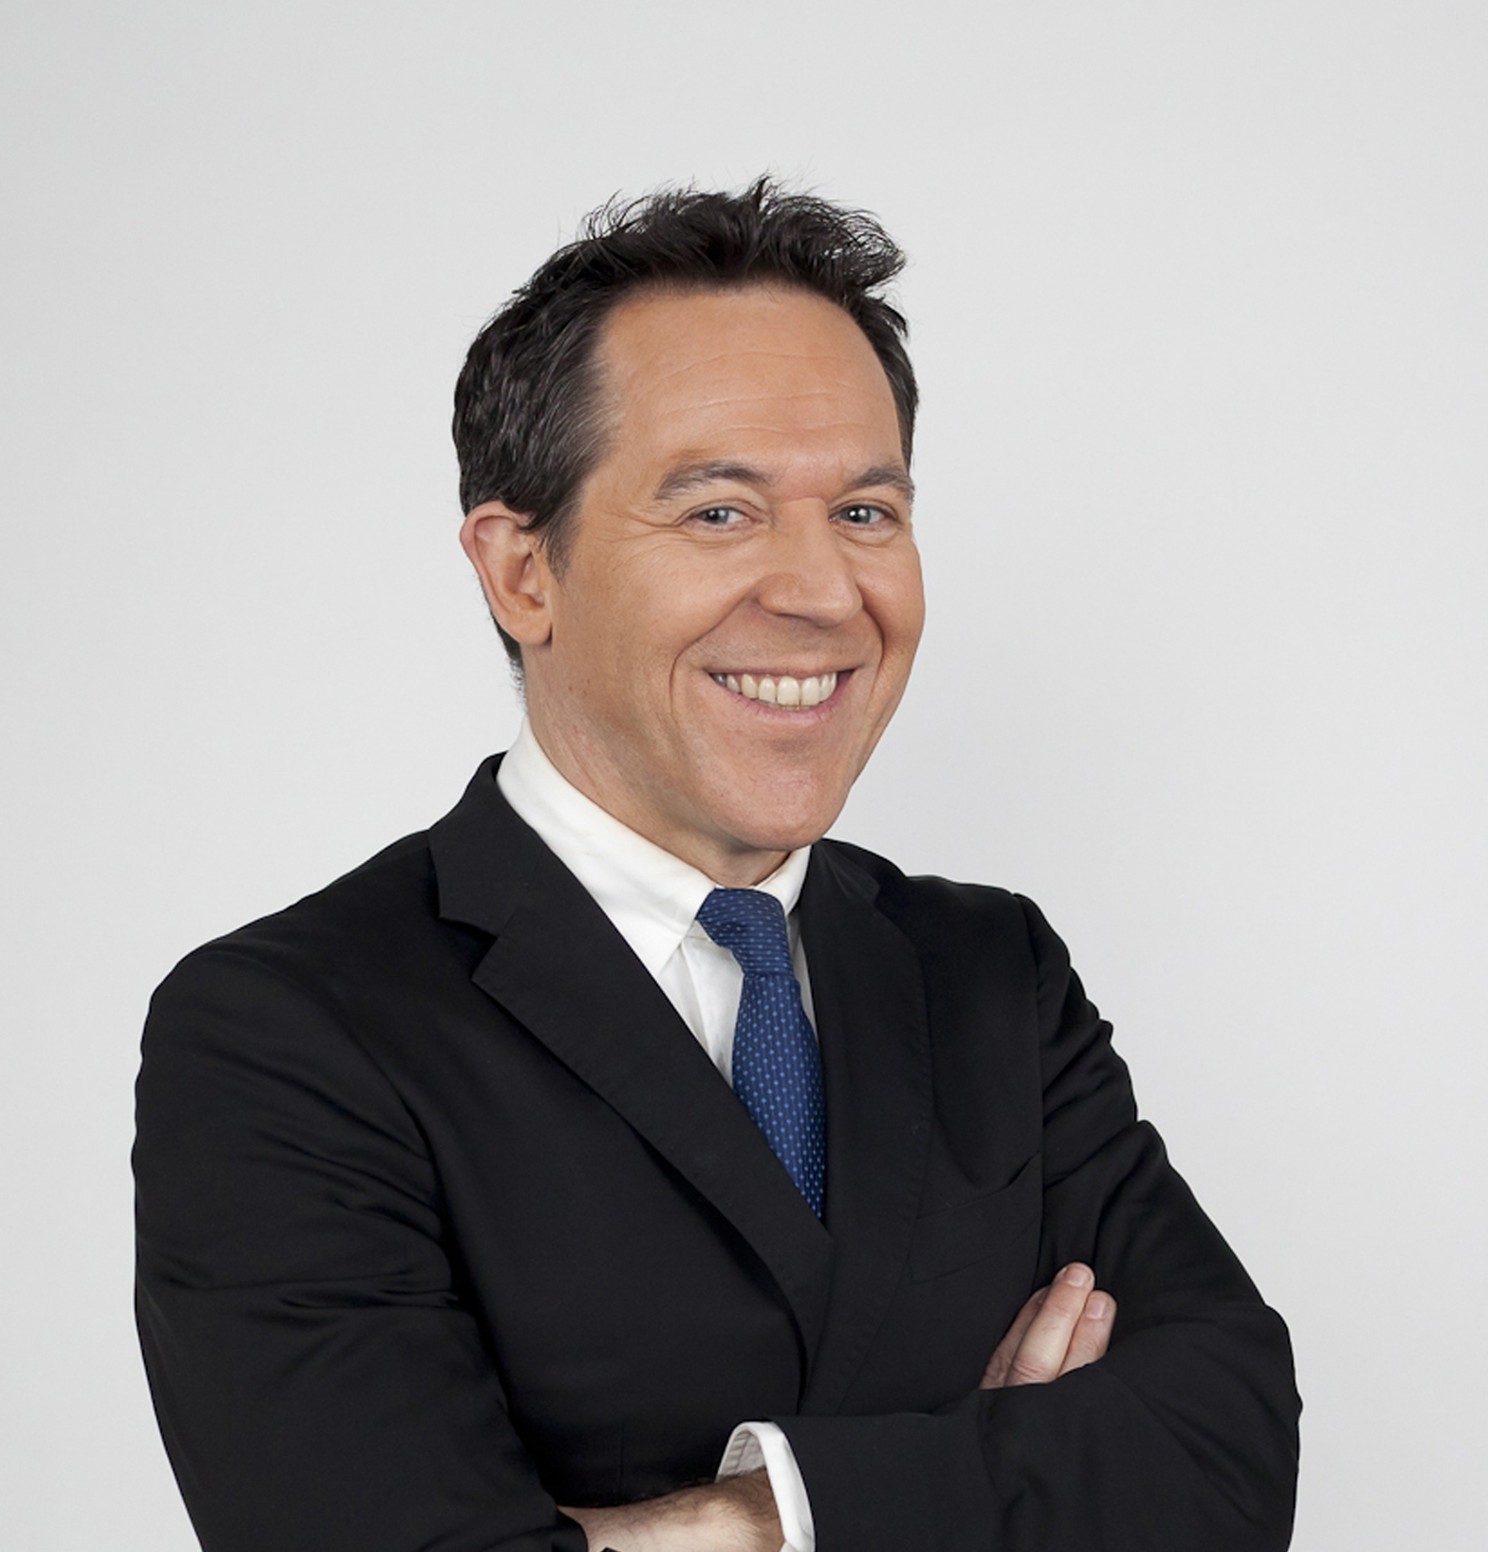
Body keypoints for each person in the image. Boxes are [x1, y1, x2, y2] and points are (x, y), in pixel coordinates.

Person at [134, 182, 1300, 1552]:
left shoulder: (993, 972)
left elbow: (1227, 1457)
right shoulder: (289, 1030)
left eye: (865, 511)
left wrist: (745, 1522)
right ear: (522, 573)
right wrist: (1005, 1476)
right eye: (719, 514)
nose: (822, 592)